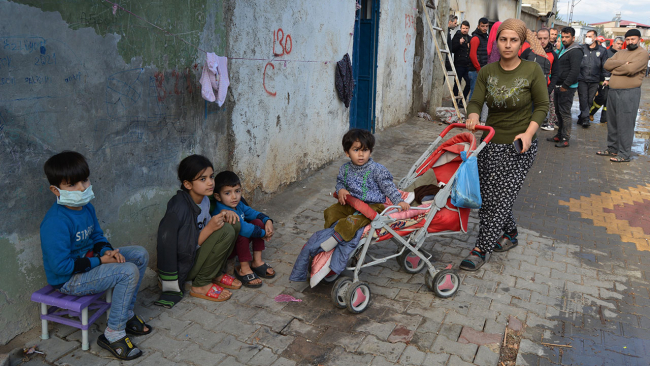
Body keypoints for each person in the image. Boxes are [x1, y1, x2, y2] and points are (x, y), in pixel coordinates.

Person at [40, 151, 151, 360]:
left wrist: (105, 251)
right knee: (127, 272)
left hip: (90, 265)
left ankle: (125, 314)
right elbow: (60, 268)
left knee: (139, 255)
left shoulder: (86, 207)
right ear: (56, 190)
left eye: (84, 180)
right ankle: (113, 334)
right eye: (71, 185)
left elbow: (97, 236)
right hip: (69, 280)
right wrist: (100, 261)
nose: (82, 188)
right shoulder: (55, 222)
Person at [460, 18, 549, 271]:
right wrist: (474, 114)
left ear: (521, 43)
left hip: (519, 145)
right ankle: (509, 234)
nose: (507, 45)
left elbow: (542, 106)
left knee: (497, 199)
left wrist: (529, 134)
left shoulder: (532, 70)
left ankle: (481, 248)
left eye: (513, 40)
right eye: (503, 39)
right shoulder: (488, 72)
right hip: (489, 143)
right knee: (490, 196)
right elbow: (476, 101)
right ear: (496, 41)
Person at [156, 155, 241, 307]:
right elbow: (184, 250)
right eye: (202, 179)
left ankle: (214, 274)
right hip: (183, 268)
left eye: (211, 177)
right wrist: (210, 228)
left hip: (196, 258)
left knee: (233, 223)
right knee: (226, 230)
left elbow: (206, 229)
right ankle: (200, 284)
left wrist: (222, 216)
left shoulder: (205, 199)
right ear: (187, 184)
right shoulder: (180, 209)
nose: (210, 182)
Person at [326, 129, 409, 247]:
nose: (361, 154)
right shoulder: (345, 169)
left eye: (365, 150)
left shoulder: (377, 170)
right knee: (331, 212)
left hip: (372, 207)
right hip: (353, 203)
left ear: (370, 151)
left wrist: (399, 201)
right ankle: (329, 232)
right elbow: (340, 182)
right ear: (347, 153)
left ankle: (337, 239)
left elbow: (388, 187)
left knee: (352, 222)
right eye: (356, 150)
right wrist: (341, 189)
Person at [213, 171, 275, 288]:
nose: (234, 196)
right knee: (243, 233)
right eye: (227, 193)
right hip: (226, 250)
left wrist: (268, 221)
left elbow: (253, 213)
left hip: (237, 245)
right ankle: (244, 268)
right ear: (218, 196)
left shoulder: (239, 204)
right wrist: (263, 233)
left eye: (237, 191)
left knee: (258, 222)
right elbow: (244, 229)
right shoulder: (223, 210)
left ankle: (257, 262)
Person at [598, 29, 649, 162]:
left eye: (633, 39)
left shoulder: (643, 54)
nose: (630, 41)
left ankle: (624, 154)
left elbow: (631, 70)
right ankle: (612, 148)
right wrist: (622, 64)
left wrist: (616, 69)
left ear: (639, 39)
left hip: (629, 93)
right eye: (628, 39)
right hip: (613, 92)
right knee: (612, 122)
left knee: (625, 123)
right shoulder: (621, 52)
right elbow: (607, 65)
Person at [547, 27, 583, 148]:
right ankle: (559, 134)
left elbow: (574, 70)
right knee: (558, 111)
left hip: (567, 87)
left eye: (567, 37)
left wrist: (565, 85)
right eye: (563, 37)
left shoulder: (575, 51)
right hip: (558, 85)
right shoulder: (563, 49)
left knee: (565, 113)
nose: (564, 39)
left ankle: (565, 138)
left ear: (573, 38)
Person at [577, 30, 609, 128]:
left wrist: (607, 78)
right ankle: (586, 119)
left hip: (595, 79)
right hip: (582, 78)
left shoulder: (602, 51)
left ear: (595, 38)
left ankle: (582, 116)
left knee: (590, 99)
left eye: (590, 36)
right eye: (586, 36)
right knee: (583, 98)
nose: (587, 38)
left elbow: (605, 65)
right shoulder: (581, 48)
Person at [589, 37, 624, 123]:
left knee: (610, 100)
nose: (619, 46)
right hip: (604, 79)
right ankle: (590, 112)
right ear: (613, 43)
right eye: (618, 43)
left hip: (616, 80)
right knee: (602, 98)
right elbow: (602, 66)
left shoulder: (622, 54)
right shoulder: (607, 52)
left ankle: (604, 119)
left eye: (621, 44)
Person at [536, 28, 560, 131]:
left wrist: (549, 89)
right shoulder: (530, 52)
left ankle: (550, 122)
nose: (542, 41)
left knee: (551, 104)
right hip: (530, 87)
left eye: (545, 38)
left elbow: (555, 74)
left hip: (547, 86)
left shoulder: (553, 54)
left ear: (549, 38)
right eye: (540, 38)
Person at [468, 17, 490, 100]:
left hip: (481, 69)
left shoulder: (485, 38)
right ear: (478, 26)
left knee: (479, 93)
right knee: (474, 93)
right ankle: (470, 112)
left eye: (486, 26)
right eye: (482, 26)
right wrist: (478, 68)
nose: (485, 28)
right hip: (475, 70)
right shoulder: (476, 38)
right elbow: (472, 55)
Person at [451, 20, 472, 105]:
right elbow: (452, 49)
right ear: (461, 28)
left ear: (469, 29)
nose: (465, 30)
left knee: (469, 83)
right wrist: (459, 43)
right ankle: (454, 102)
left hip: (467, 65)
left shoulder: (470, 38)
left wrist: (470, 47)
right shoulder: (457, 37)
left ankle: (461, 102)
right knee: (457, 84)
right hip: (459, 64)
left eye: (466, 28)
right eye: (463, 28)